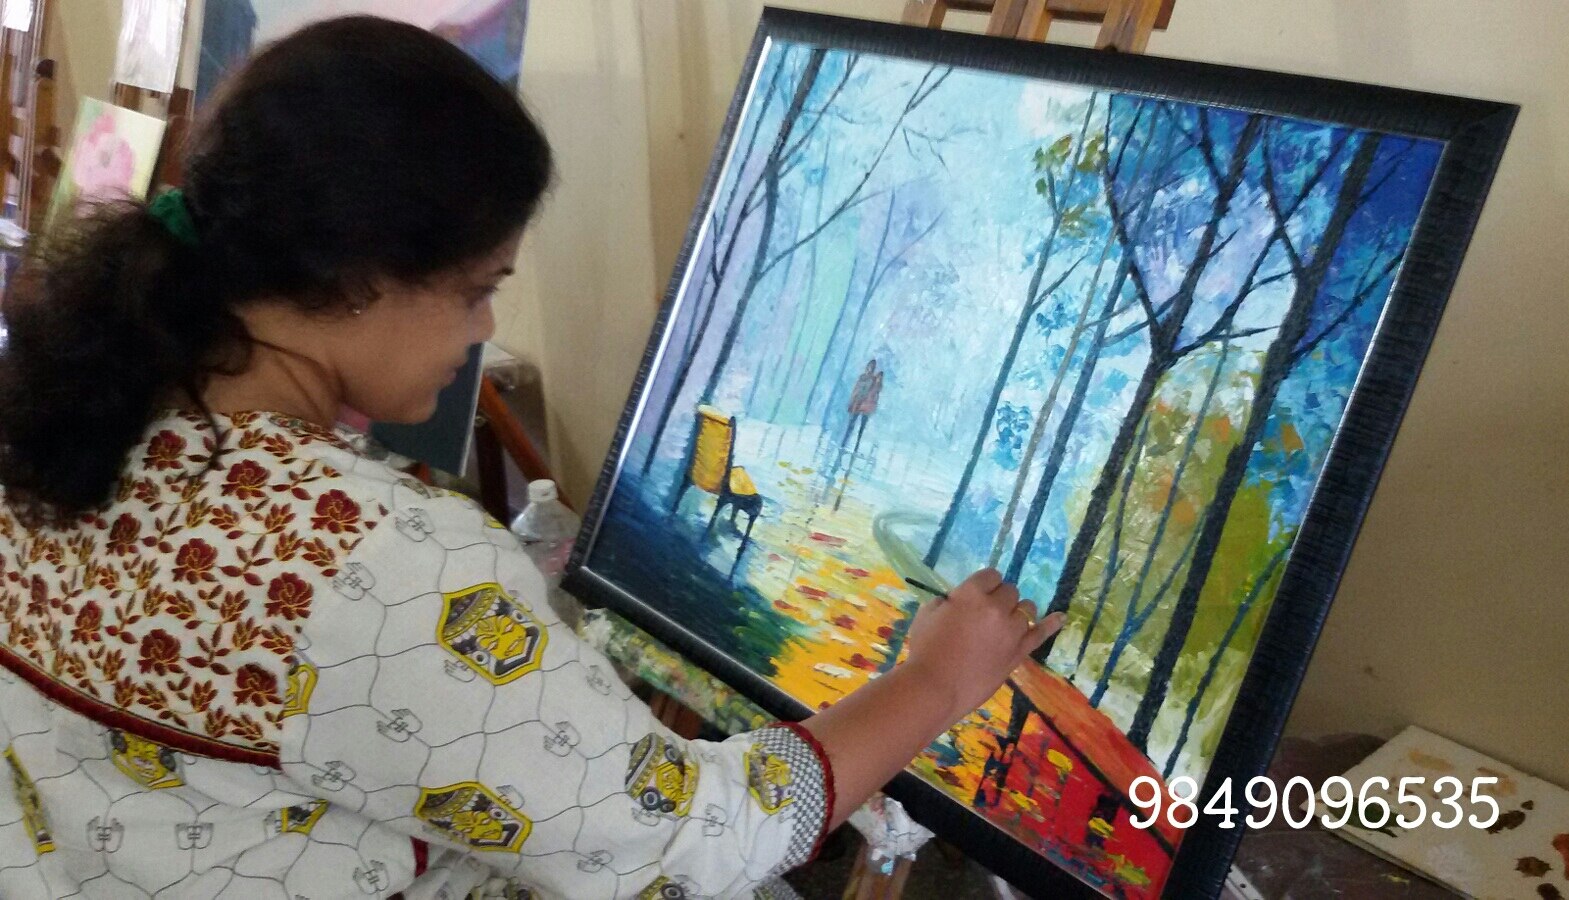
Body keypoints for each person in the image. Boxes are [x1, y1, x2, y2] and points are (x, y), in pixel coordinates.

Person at [0, 18, 1063, 900]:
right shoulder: (373, 563)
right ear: (359, 277)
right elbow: (695, 842)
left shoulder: (71, 416)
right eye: (477, 290)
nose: (484, 329)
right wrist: (937, 678)